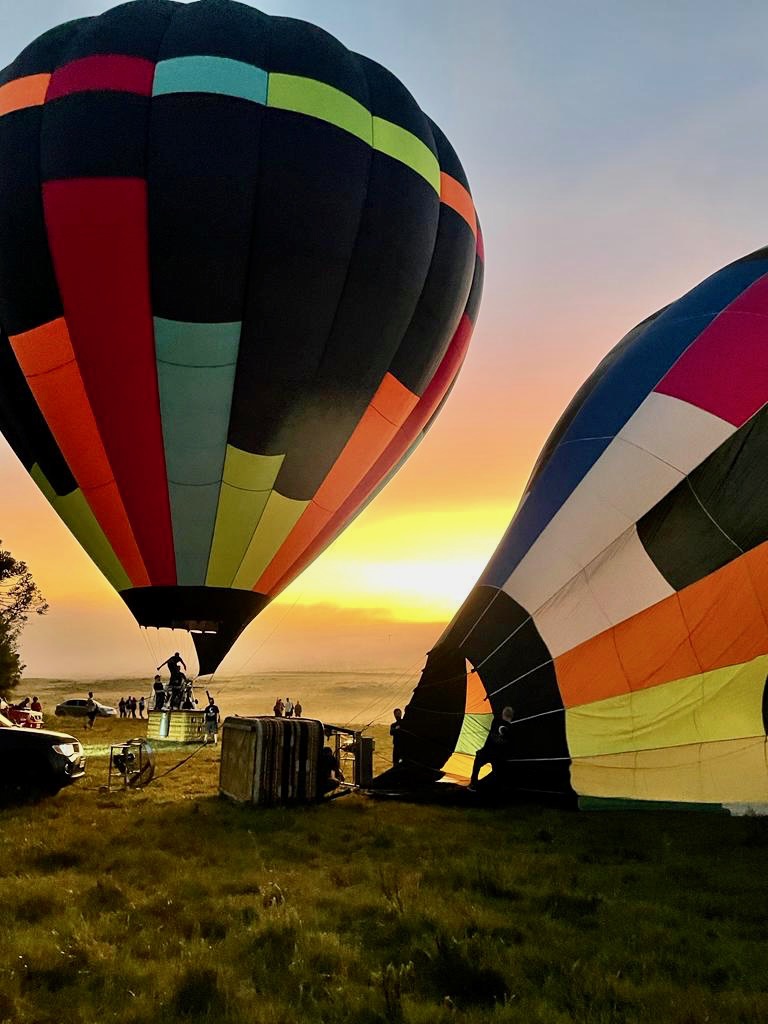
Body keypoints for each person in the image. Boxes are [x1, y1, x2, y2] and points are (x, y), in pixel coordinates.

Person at [468, 706, 515, 791]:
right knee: (497, 775)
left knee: (477, 763)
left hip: (487, 752)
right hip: (499, 756)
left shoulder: (496, 721)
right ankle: (494, 790)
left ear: (502, 714)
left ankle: (473, 784)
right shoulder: (512, 729)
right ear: (511, 716)